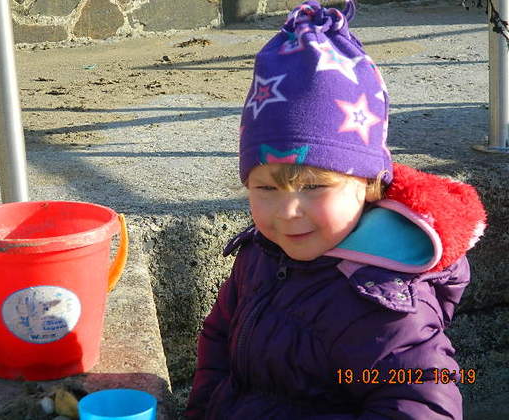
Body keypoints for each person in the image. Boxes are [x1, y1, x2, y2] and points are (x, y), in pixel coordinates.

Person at [185, 1, 487, 418]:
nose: (288, 211)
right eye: (266, 187)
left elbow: (421, 403)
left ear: (369, 184)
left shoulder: (383, 301)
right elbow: (218, 340)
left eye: (314, 186)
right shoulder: (259, 254)